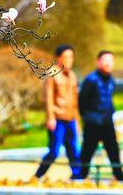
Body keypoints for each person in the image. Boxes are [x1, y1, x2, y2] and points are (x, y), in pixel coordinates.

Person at [75, 50, 123, 181]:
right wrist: (87, 117)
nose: (108, 63)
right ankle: (80, 176)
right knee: (87, 150)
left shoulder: (111, 80)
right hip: (93, 122)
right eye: (105, 60)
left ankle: (119, 176)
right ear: (98, 62)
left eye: (111, 60)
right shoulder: (91, 80)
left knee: (113, 150)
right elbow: (82, 101)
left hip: (107, 122)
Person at [33, 44, 81, 180]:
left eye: (71, 57)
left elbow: (75, 101)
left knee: (74, 150)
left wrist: (77, 121)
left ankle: (77, 176)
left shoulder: (72, 76)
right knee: (54, 151)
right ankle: (38, 175)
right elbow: (48, 98)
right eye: (66, 57)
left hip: (71, 119)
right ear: (59, 58)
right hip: (57, 118)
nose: (69, 60)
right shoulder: (52, 73)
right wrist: (50, 118)